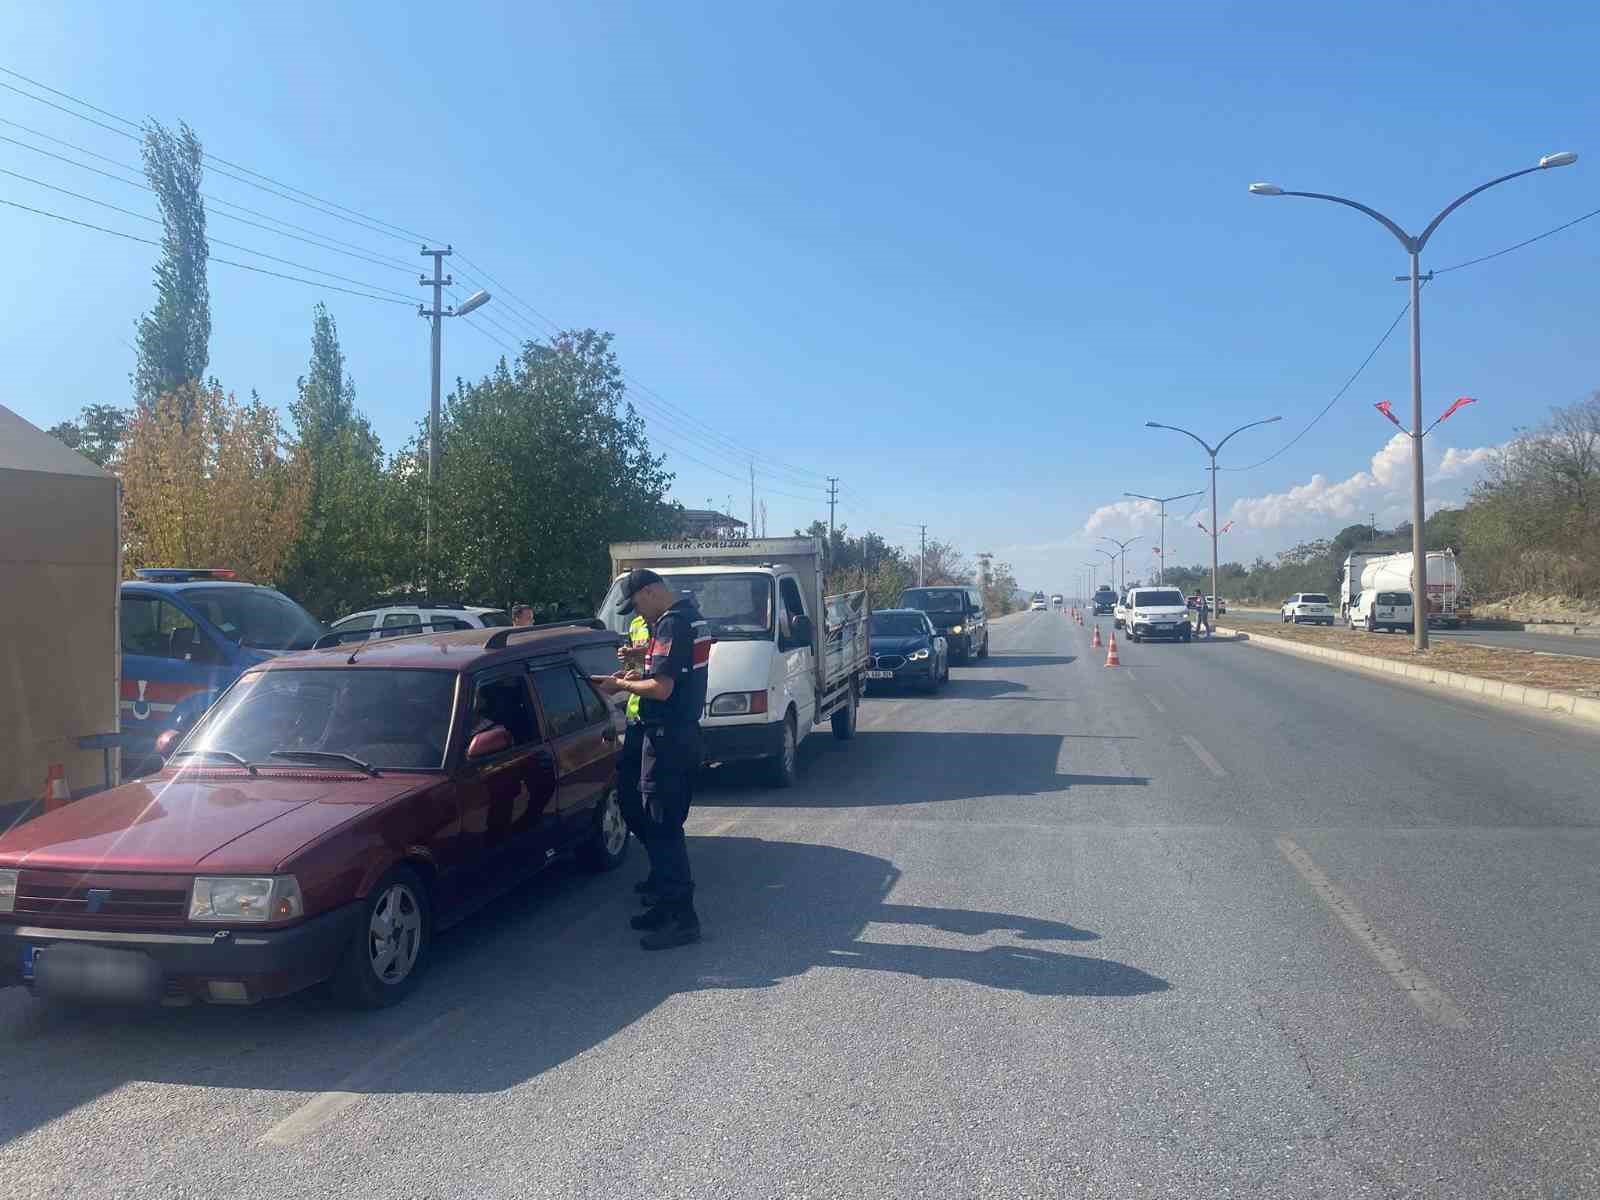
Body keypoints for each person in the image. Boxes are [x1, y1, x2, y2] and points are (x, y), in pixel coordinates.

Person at [591, 569, 709, 950]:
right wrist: (644, 658)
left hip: (669, 737)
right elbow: (677, 666)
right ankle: (665, 900)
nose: (638, 613)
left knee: (663, 825)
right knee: (649, 815)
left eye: (638, 603)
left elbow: (661, 688)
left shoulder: (673, 623)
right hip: (673, 735)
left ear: (653, 591)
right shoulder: (690, 617)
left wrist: (619, 684)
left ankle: (683, 918)